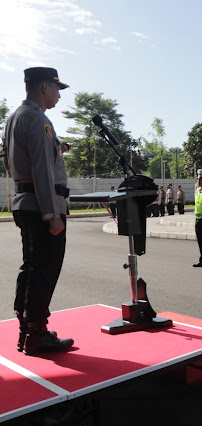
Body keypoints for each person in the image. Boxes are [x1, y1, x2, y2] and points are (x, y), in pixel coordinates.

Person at [3, 66, 74, 355]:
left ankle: (28, 329)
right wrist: (52, 215)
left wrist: (57, 147)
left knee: (31, 268)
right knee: (44, 269)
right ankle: (36, 334)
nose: (58, 96)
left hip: (25, 202)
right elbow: (42, 169)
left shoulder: (14, 117)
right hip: (41, 206)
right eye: (57, 89)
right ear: (45, 87)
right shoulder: (38, 119)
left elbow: (12, 161)